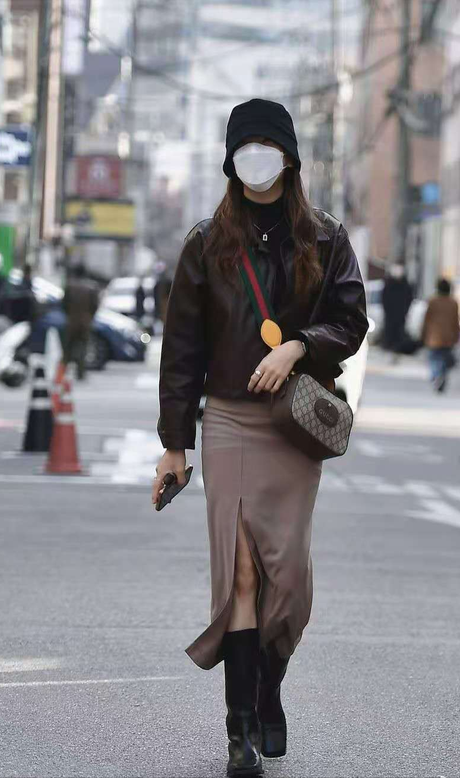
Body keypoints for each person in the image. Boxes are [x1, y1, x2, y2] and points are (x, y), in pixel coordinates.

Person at [153, 98, 368, 777]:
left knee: (290, 579)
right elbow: (181, 347)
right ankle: (239, 730)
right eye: (242, 147)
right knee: (241, 571)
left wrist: (300, 346)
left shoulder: (326, 238)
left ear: (288, 157)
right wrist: (174, 442)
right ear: (229, 159)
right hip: (229, 420)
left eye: (265, 146)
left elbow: (351, 320)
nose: (255, 158)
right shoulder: (205, 242)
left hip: (293, 426)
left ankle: (268, 685)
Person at [421, 278, 460, 393]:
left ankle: (436, 376)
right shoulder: (453, 303)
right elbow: (456, 321)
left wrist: (423, 334)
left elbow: (427, 319)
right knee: (444, 359)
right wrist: (456, 336)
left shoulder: (433, 301)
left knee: (434, 358)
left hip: (434, 336)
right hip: (448, 337)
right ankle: (441, 376)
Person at [62, 264, 99, 381]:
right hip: (85, 321)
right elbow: (95, 306)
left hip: (71, 321)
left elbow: (64, 305)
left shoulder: (69, 286)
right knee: (83, 347)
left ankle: (63, 371)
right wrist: (89, 316)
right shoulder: (92, 287)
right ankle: (80, 372)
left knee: (68, 348)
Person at [381, 263, 413, 356]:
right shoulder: (389, 285)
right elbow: (384, 299)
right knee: (391, 332)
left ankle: (397, 348)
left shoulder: (405, 285)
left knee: (399, 333)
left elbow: (409, 298)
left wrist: (405, 310)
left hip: (400, 315)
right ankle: (391, 347)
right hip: (391, 315)